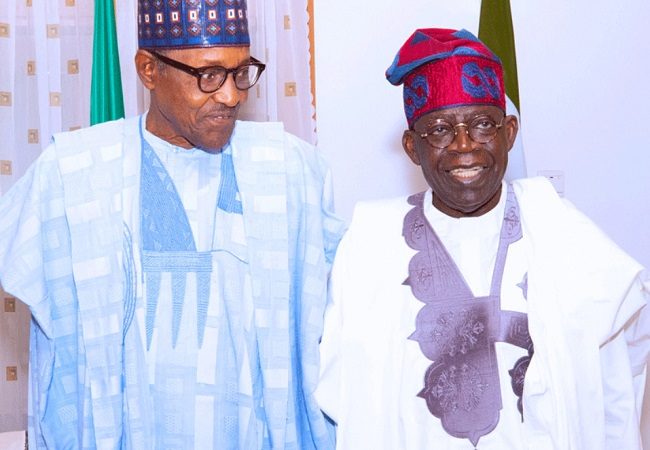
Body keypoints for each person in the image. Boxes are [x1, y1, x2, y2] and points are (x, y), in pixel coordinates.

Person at [0, 1, 345, 448]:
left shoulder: (291, 170)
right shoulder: (73, 174)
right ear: (148, 70)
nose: (231, 96)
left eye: (241, 72)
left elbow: (346, 310)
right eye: (208, 75)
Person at [315, 28, 649, 449]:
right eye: (438, 130)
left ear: (509, 133)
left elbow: (617, 375)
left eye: (482, 124)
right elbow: (345, 395)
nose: (463, 145)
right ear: (411, 146)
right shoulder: (371, 247)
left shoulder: (565, 236)